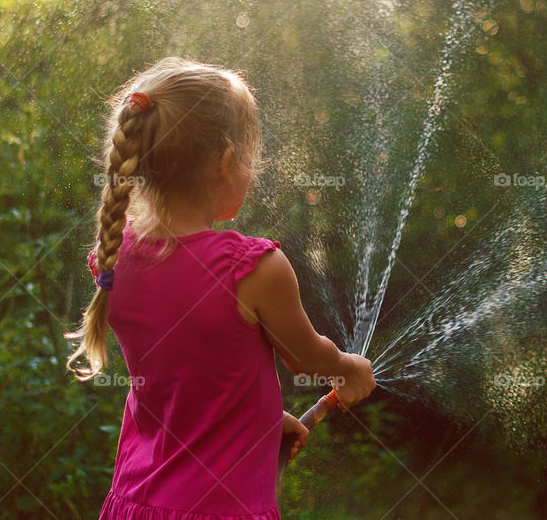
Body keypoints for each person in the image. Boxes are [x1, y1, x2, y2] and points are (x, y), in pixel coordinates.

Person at [65, 57, 376, 519]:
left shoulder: (114, 258)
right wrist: (350, 368)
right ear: (226, 164)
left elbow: (189, 382)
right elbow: (310, 359)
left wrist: (259, 427)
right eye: (251, 157)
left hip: (135, 501)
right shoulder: (252, 268)